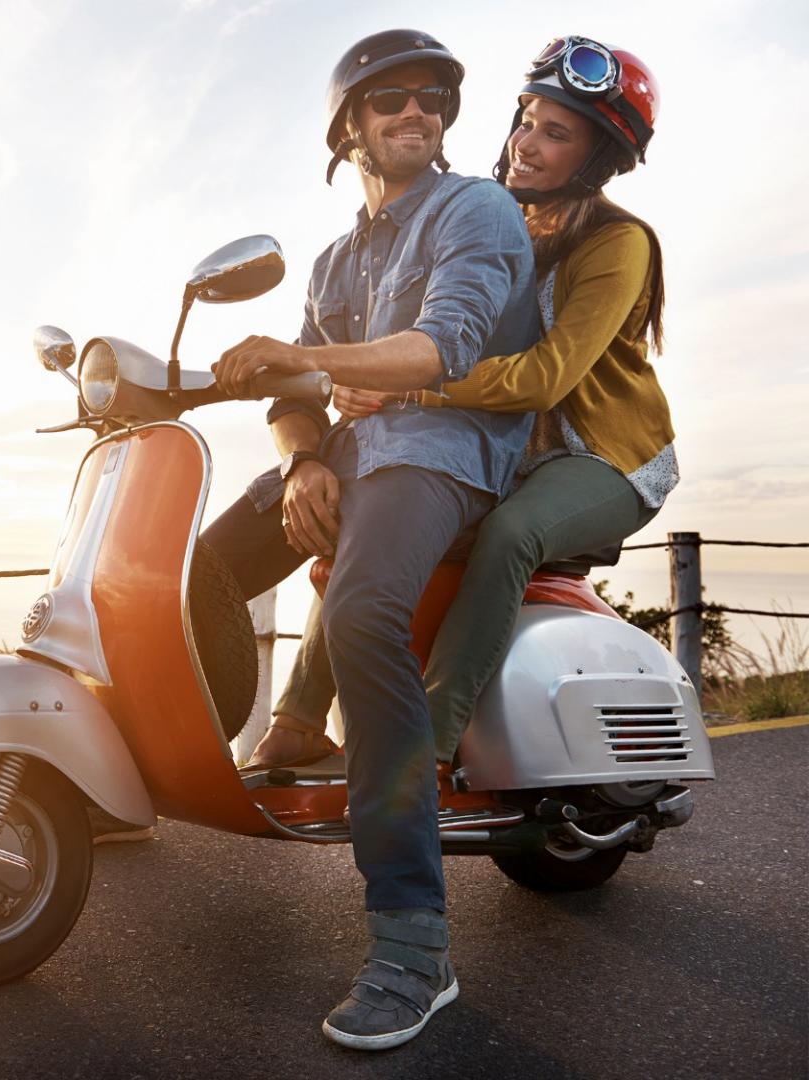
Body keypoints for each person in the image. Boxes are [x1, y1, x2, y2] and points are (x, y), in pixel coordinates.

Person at [199, 28, 538, 1050]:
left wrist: (302, 358)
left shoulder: (472, 209)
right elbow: (298, 401)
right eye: (391, 99)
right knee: (198, 573)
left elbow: (440, 346)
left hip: (446, 454)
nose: (417, 114)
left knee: (359, 614)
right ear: (350, 124)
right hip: (354, 453)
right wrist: (303, 457)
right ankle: (166, 768)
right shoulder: (337, 258)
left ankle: (413, 941)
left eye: (434, 100)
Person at [246, 37, 672, 787]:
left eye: (556, 133)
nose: (526, 144)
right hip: (510, 448)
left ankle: (432, 747)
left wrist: (412, 389)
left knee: (511, 533)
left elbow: (546, 377)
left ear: (598, 157)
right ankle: (295, 724)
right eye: (527, 120)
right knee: (371, 505)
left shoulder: (618, 242)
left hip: (600, 457)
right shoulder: (488, 214)